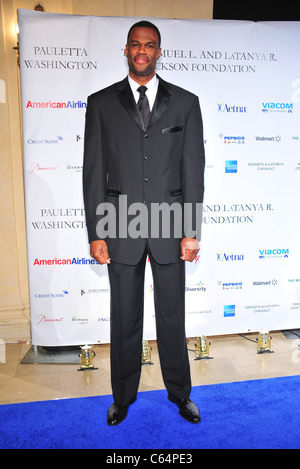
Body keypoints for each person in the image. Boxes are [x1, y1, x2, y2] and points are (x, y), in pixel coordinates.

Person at [83, 20, 205, 426]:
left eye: (149, 45)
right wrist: (96, 233)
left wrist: (191, 231)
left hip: (171, 226)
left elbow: (192, 170)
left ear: (158, 51)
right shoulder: (100, 103)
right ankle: (122, 396)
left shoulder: (186, 103)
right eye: (135, 44)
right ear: (126, 49)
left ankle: (180, 394)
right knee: (124, 316)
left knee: (173, 315)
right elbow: (94, 172)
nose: (142, 51)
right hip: (119, 226)